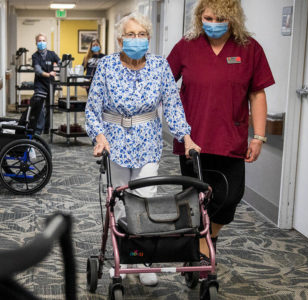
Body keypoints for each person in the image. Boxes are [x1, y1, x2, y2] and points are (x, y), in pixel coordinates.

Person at [85, 12, 200, 287]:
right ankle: (126, 258)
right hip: (114, 140)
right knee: (122, 203)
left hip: (148, 139)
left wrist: (186, 137)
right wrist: (98, 136)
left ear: (148, 38)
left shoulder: (160, 66)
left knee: (146, 199)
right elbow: (92, 107)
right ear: (119, 39)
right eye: (130, 35)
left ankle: (143, 259)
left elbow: (172, 105)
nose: (136, 40)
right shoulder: (107, 66)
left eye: (141, 35)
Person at [167, 0, 275, 273]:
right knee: (192, 199)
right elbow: (164, 85)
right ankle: (197, 247)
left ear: (233, 18)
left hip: (230, 138)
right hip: (193, 138)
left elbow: (257, 93)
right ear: (199, 17)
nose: (212, 24)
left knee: (229, 196)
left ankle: (209, 236)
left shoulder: (250, 49)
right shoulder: (186, 46)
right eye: (207, 18)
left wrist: (258, 137)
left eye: (219, 18)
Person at [30, 33, 60, 134]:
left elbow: (61, 63)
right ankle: (39, 129)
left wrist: (57, 69)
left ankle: (47, 128)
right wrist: (49, 74)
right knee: (40, 106)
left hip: (50, 84)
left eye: (43, 41)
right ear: (36, 43)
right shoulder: (35, 56)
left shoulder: (52, 54)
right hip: (40, 84)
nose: (41, 43)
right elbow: (38, 70)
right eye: (39, 41)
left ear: (46, 42)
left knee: (49, 106)